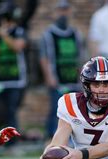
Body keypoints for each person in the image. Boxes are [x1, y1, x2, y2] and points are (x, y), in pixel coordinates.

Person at [0, 1, 27, 156]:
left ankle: (12, 144)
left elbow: (17, 47)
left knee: (11, 112)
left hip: (14, 79)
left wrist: (4, 33)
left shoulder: (19, 31)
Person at [39, 0, 84, 141]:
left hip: (72, 78)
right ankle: (51, 138)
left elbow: (80, 56)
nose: (63, 13)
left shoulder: (75, 33)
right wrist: (49, 76)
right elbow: (44, 57)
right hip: (57, 78)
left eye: (65, 10)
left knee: (75, 110)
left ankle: (73, 138)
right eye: (60, 10)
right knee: (56, 109)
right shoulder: (49, 34)